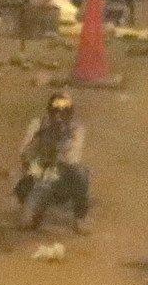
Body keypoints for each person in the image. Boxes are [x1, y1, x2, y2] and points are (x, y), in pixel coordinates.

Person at [17, 88, 92, 228]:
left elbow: (71, 159)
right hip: (39, 173)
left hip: (62, 178)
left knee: (81, 174)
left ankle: (80, 216)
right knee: (25, 219)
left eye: (63, 113)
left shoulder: (76, 129)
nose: (58, 116)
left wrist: (57, 146)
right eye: (55, 112)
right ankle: (37, 212)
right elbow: (24, 152)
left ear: (69, 114)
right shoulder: (38, 125)